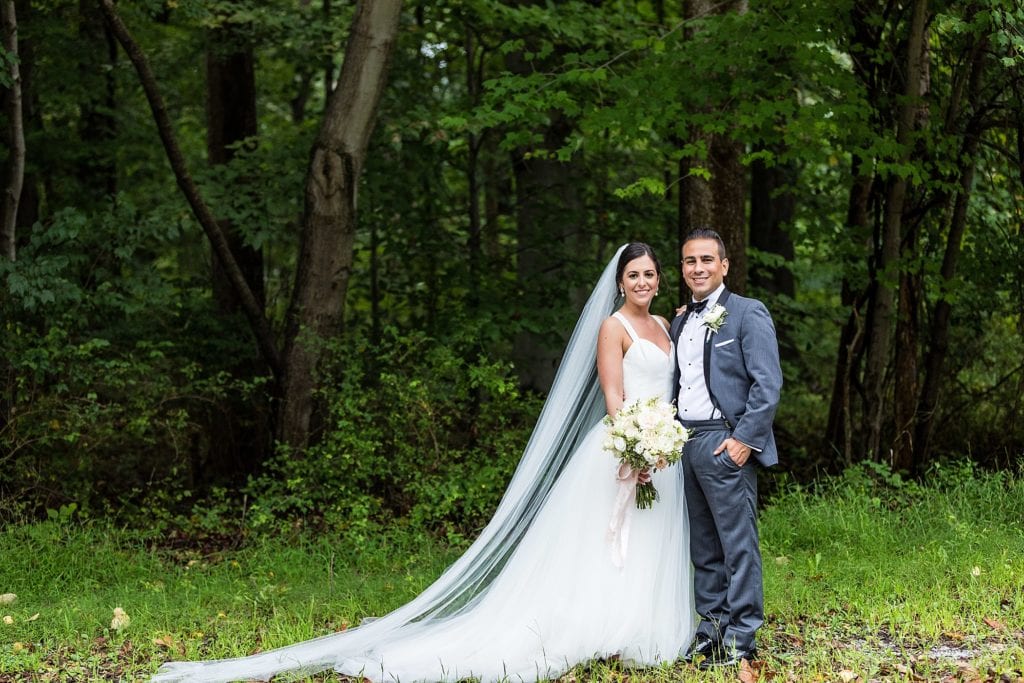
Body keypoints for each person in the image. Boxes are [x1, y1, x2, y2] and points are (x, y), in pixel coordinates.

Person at [152, 243, 696, 683]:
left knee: (647, 543)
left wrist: (660, 447)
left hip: (661, 449)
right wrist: (633, 449)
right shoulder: (613, 328)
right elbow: (613, 396)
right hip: (621, 449)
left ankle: (632, 632)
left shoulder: (666, 329)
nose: (643, 282)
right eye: (634, 275)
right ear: (620, 282)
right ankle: (591, 628)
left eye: (650, 274)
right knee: (601, 546)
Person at [670, 228, 782, 668]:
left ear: (724, 265)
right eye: (689, 261)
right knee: (704, 546)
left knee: (737, 546)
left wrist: (742, 441)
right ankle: (711, 630)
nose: (697, 268)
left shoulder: (747, 313)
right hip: (686, 442)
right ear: (682, 268)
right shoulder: (681, 320)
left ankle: (742, 637)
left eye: (706, 260)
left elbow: (767, 385)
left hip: (725, 441)